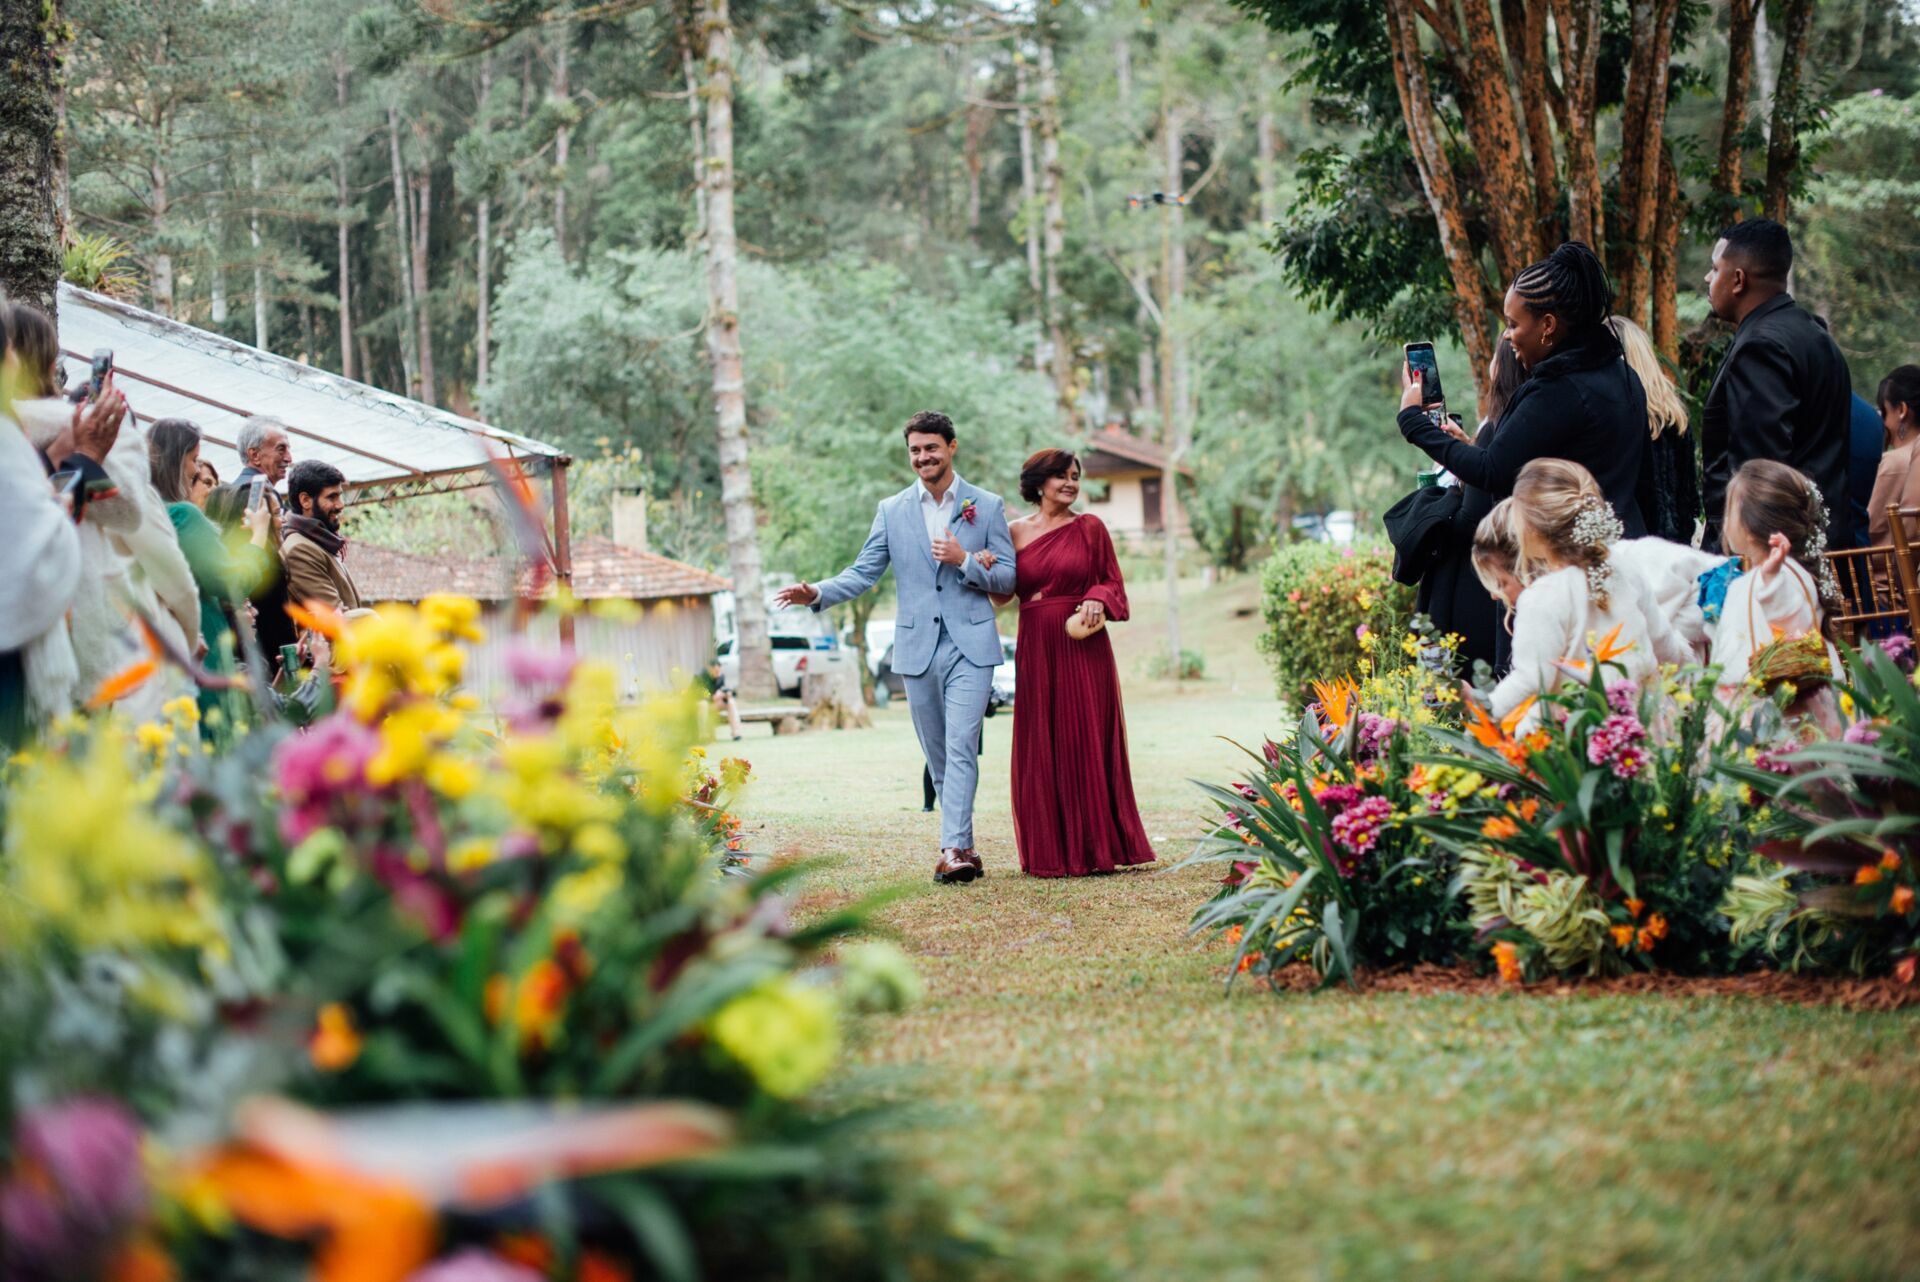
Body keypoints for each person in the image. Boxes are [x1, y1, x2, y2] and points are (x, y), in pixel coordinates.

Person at [773, 410, 1016, 885]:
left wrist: (965, 560)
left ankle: (951, 850)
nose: (923, 457)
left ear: (952, 447)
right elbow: (863, 572)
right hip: (916, 647)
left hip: (971, 644)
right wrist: (818, 592)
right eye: (915, 450)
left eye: (932, 448)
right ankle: (964, 845)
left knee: (962, 745)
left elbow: (1008, 577)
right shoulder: (892, 510)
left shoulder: (985, 505)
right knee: (938, 753)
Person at [1399, 241, 1652, 538]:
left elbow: (1491, 471)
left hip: (1577, 553)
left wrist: (1413, 421)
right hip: (1627, 544)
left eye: (1512, 324)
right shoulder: (1624, 375)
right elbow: (1646, 484)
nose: (1507, 336)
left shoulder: (1560, 389)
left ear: (1547, 325)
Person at [981, 449, 1154, 878]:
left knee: (1086, 735)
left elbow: (1113, 584)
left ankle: (1098, 847)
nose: (1070, 483)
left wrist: (1097, 596)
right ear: (1039, 483)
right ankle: (1052, 851)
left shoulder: (1090, 528)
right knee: (1043, 739)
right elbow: (1001, 596)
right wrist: (982, 566)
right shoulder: (1013, 532)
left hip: (1083, 645)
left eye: (1075, 476)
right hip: (1036, 644)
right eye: (1061, 476)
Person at [1486, 460, 1689, 733]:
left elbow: (1530, 680)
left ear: (1531, 528)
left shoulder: (1542, 596)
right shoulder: (1622, 565)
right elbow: (1664, 643)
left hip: (1583, 735)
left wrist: (1480, 716)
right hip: (1645, 724)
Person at [1700, 219, 1854, 552]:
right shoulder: (1817, 337)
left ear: (1738, 280)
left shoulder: (1761, 347)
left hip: (1773, 550)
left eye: (1715, 269)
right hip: (1820, 541)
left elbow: (1760, 471)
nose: (1708, 279)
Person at [1406, 339, 1526, 673]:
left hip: (1477, 580)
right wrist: (1467, 448)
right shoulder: (1522, 426)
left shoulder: (1497, 427)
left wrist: (1440, 501)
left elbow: (1471, 517)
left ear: (1503, 367)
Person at [150, 419, 273, 735]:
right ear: (177, 460)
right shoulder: (183, 515)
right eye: (193, 459)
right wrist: (259, 537)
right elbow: (231, 583)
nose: (195, 469)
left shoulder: (149, 514)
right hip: (203, 650)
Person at [1708, 459, 1845, 736]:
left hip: (1770, 707)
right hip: (1759, 696)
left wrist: (1771, 582)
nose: (1725, 522)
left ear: (1750, 528)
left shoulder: (1781, 575)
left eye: (1729, 512)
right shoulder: (1761, 576)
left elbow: (1789, 617)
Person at [1612, 315, 1702, 545]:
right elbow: (1689, 499)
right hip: (1675, 546)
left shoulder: (1620, 418)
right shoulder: (1674, 417)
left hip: (1633, 545)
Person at [221, 415, 297, 672]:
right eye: (280, 449)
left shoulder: (237, 491)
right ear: (254, 455)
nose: (289, 458)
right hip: (265, 638)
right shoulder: (252, 495)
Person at [282, 459, 362, 615]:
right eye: (332, 497)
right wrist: (375, 619)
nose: (340, 505)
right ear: (305, 500)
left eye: (340, 496)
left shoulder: (320, 541)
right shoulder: (300, 550)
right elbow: (336, 617)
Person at [1866, 366, 1920, 548]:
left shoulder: (1892, 462)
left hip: (1887, 564)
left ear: (1902, 410)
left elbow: (1870, 525)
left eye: (1884, 412)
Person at [697, 656, 743, 741]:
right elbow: (701, 695)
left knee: (731, 702)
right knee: (703, 704)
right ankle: (703, 735)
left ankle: (736, 733)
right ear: (710, 669)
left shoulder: (720, 677)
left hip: (713, 705)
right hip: (700, 706)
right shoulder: (700, 678)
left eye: (719, 670)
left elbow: (722, 689)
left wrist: (727, 694)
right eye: (716, 671)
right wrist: (713, 696)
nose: (718, 673)